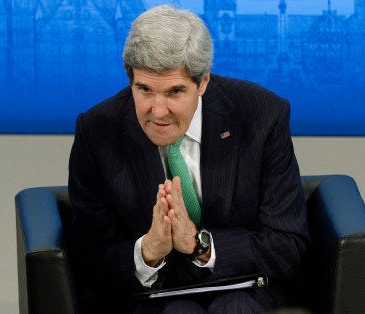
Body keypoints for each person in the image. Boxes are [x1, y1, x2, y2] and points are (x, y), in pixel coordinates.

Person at [69, 5, 309, 313]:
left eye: (174, 92)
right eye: (144, 90)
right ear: (130, 79)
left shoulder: (261, 116)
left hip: (243, 287)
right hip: (149, 295)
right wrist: (148, 251)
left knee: (233, 308)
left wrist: (200, 244)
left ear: (203, 82)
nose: (157, 111)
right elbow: (89, 258)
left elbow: (286, 243)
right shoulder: (98, 130)